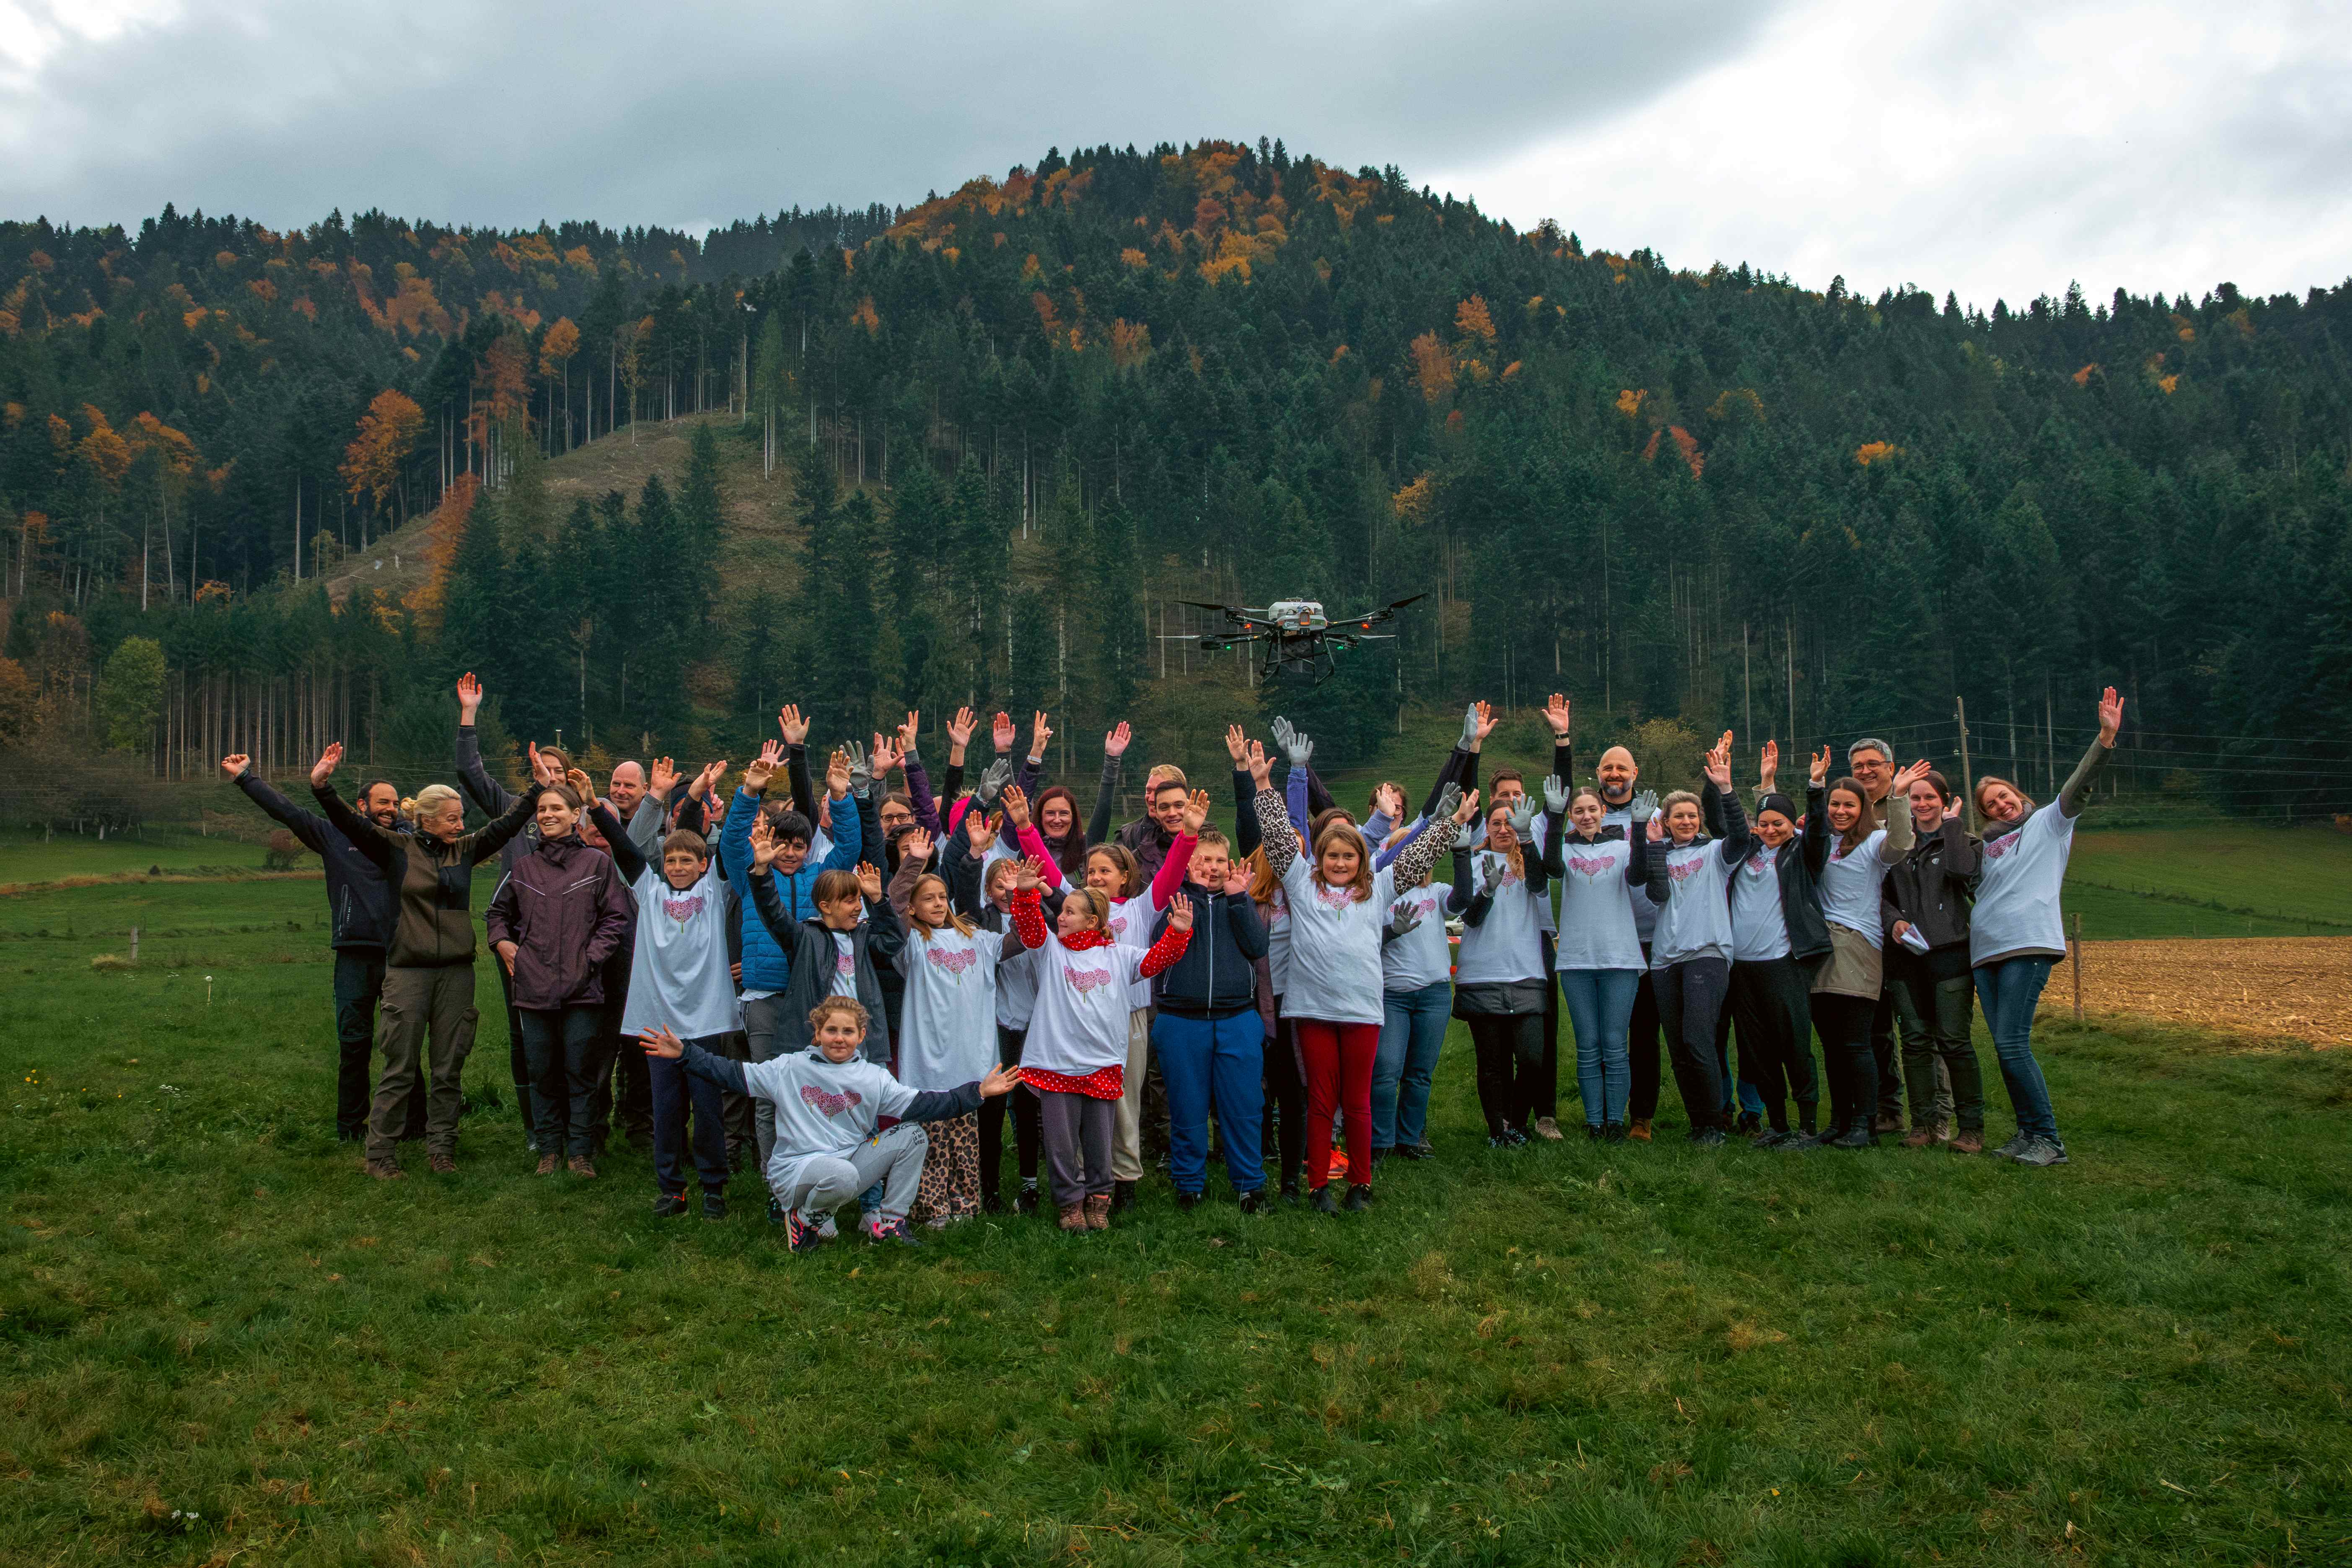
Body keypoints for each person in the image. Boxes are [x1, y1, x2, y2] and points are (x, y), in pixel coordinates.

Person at [1252, 737, 1465, 1213]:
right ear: (1320, 860)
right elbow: (1279, 839)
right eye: (1332, 857)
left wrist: (1449, 824)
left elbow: (1414, 857)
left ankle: (1360, 1186)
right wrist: (1264, 785)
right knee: (1321, 1102)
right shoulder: (1301, 886)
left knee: (1359, 1102)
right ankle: (1317, 1186)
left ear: (1361, 861)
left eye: (1349, 857)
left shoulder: (1380, 889)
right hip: (1312, 1012)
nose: (1341, 863)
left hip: (1362, 1013)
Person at [308, 741, 537, 1178]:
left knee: (449, 1068)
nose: (461, 824)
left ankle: (442, 1149)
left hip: (456, 974)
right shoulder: (396, 849)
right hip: (408, 974)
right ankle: (380, 1155)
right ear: (427, 820)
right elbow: (349, 825)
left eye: (461, 817)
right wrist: (323, 788)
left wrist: (535, 792)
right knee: (399, 1068)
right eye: (452, 818)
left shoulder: (465, 851)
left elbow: (507, 826)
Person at [641, 1002, 1022, 1251]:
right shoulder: (789, 1068)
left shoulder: (873, 1077)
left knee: (912, 1135)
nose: (839, 1038)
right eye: (831, 1031)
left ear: (861, 1037)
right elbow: (731, 1073)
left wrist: (979, 1092)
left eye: (848, 1032)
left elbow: (925, 1104)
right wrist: (687, 1054)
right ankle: (802, 1218)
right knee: (842, 1174)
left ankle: (890, 1223)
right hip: (796, 1171)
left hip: (848, 1165)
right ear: (817, 1034)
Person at [1006, 782, 1198, 1210]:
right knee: (1078, 1105)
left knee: (1122, 1104)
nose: (1095, 877)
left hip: (1125, 1018)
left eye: (1105, 872)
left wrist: (1186, 836)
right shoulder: (1072, 912)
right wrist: (1024, 828)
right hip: (1073, 1023)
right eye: (1090, 872)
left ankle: (1122, 1179)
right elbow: (1048, 878)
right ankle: (1079, 1181)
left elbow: (1169, 875)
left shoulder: (1141, 908)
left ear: (1125, 877)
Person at [219, 753, 423, 1143]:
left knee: (404, 1047)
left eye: (396, 803)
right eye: (383, 802)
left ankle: (416, 1125)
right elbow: (288, 812)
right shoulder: (334, 835)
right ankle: (351, 1128)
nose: (391, 809)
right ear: (362, 805)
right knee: (354, 1044)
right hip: (352, 956)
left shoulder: (408, 842)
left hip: (401, 956)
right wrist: (247, 778)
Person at [1968, 686, 2125, 1167]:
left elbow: (2078, 784)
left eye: (2003, 796)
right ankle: (2025, 1132)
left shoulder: (2049, 824)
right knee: (2003, 1047)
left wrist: (2103, 738)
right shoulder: (1985, 847)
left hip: (2026, 943)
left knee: (2014, 1044)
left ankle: (2049, 1141)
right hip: (1985, 952)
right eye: (1989, 804)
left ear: (2019, 796)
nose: (1999, 805)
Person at [718, 737, 864, 1209]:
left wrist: (840, 799)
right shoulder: (750, 875)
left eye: (799, 846)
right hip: (764, 997)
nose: (790, 853)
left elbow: (851, 847)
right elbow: (729, 841)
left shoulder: (819, 879)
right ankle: (774, 1182)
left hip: (815, 1003)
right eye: (783, 844)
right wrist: (749, 792)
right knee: (769, 1094)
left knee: (817, 1091)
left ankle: (819, 1168)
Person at [588, 776, 741, 1217]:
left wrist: (718, 797)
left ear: (702, 864)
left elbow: (727, 843)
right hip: (657, 1023)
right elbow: (623, 847)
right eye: (670, 859)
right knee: (667, 1111)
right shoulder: (648, 892)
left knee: (708, 1111)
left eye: (686, 860)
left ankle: (714, 1188)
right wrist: (593, 807)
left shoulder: (715, 891)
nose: (676, 866)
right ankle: (671, 1189)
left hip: (706, 1022)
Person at [485, 780, 635, 1177]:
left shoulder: (597, 865)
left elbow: (615, 918)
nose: (547, 815)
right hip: (533, 988)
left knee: (581, 1072)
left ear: (575, 816)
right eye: (542, 810)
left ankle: (581, 1152)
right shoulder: (524, 867)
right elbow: (496, 914)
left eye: (556, 809)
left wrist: (589, 960)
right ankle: (549, 1150)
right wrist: (501, 942)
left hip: (583, 988)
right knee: (542, 1071)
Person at [1797, 753, 1929, 1149]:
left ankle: (1865, 1123)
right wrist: (1811, 788)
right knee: (1832, 1045)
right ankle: (1838, 1120)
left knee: (1857, 1042)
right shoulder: (1820, 842)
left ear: (1863, 808)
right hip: (1820, 948)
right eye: (1835, 804)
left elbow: (1903, 843)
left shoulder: (1874, 842)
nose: (1840, 811)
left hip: (1858, 945)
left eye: (1849, 805)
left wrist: (1901, 798)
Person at [887, 828, 1015, 1226]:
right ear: (913, 908)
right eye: (928, 898)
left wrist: (1023, 894)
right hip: (929, 1061)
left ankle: (966, 1203)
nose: (939, 903)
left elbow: (1026, 940)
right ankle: (929, 1206)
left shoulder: (978, 938)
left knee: (967, 1140)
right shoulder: (910, 945)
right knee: (931, 1141)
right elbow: (890, 909)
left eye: (943, 897)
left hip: (975, 1057)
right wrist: (912, 865)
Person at [1148, 824, 1270, 1211]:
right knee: (1187, 1107)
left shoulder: (1240, 899)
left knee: (1244, 1106)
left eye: (1220, 860)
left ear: (1230, 861)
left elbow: (1257, 945)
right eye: (1204, 860)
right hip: (1181, 1020)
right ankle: (1189, 1184)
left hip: (1237, 1018)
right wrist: (1197, 897)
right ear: (1189, 863)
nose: (1213, 867)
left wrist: (1238, 901)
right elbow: (1157, 947)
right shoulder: (1178, 900)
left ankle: (1250, 1184)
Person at [1721, 743, 1831, 1148]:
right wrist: (1764, 786)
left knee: (1794, 1045)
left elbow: (1818, 829)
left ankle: (1806, 1127)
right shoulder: (1745, 852)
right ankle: (1777, 1124)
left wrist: (1815, 787)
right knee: (1756, 1050)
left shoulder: (1802, 853)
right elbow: (1747, 821)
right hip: (1742, 967)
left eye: (1779, 823)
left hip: (1785, 962)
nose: (1771, 829)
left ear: (1792, 825)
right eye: (1765, 823)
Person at [1640, 740, 1750, 1145]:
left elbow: (1742, 836)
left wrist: (1726, 790)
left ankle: (1715, 1125)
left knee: (1698, 1039)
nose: (1686, 822)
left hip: (1707, 954)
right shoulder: (1662, 854)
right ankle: (1699, 1123)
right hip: (1666, 960)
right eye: (1678, 817)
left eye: (1692, 816)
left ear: (1701, 819)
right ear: (1666, 821)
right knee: (1679, 1046)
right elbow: (1657, 895)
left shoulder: (1716, 853)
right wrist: (1653, 847)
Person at [942, 801, 1045, 1213]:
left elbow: (1034, 936)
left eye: (1016, 885)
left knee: (1029, 1104)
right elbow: (965, 898)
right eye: (1001, 885)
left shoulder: (1037, 915)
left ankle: (1030, 1182)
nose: (1008, 891)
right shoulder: (978, 922)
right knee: (992, 1106)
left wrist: (1028, 896)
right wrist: (972, 855)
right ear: (989, 890)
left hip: (1035, 1021)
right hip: (995, 1025)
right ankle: (988, 1189)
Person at [1541, 778, 1657, 1140]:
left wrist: (1638, 828)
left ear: (1603, 812)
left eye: (1593, 809)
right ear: (1573, 817)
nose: (1587, 816)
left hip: (1620, 959)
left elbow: (1639, 876)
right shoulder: (1564, 849)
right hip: (1576, 961)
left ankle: (1615, 1122)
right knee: (1588, 1044)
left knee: (1614, 1043)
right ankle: (1594, 1122)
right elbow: (1551, 870)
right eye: (1580, 811)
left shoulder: (1623, 848)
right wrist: (1556, 819)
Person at [1881, 768, 1987, 1153]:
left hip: (1951, 955)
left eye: (1929, 797)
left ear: (1944, 800)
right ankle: (1925, 1124)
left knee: (1955, 1042)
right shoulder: (1896, 845)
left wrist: (1954, 826)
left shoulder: (1964, 840)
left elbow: (1964, 872)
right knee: (1914, 1043)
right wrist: (1893, 921)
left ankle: (1971, 1130)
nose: (1922, 804)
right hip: (1905, 957)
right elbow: (1876, 893)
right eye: (1914, 797)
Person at [1449, 793, 1558, 1146]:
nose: (1502, 828)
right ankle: (1500, 1130)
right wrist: (1487, 892)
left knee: (1531, 1059)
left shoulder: (1528, 861)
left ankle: (1517, 1121)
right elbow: (1470, 917)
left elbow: (1541, 886)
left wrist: (1528, 840)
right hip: (1482, 974)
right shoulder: (1476, 859)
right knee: (1492, 1063)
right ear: (1488, 828)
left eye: (1510, 822)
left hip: (1526, 973)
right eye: (1496, 822)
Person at [1593, 741, 1668, 1140]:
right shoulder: (1589, 816)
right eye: (1608, 768)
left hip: (1649, 937)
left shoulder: (1656, 815)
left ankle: (1641, 1114)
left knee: (1642, 1031)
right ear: (1599, 773)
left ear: (1635, 773)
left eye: (1622, 768)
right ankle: (1604, 1111)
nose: (1615, 774)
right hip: (1606, 937)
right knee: (1607, 1032)